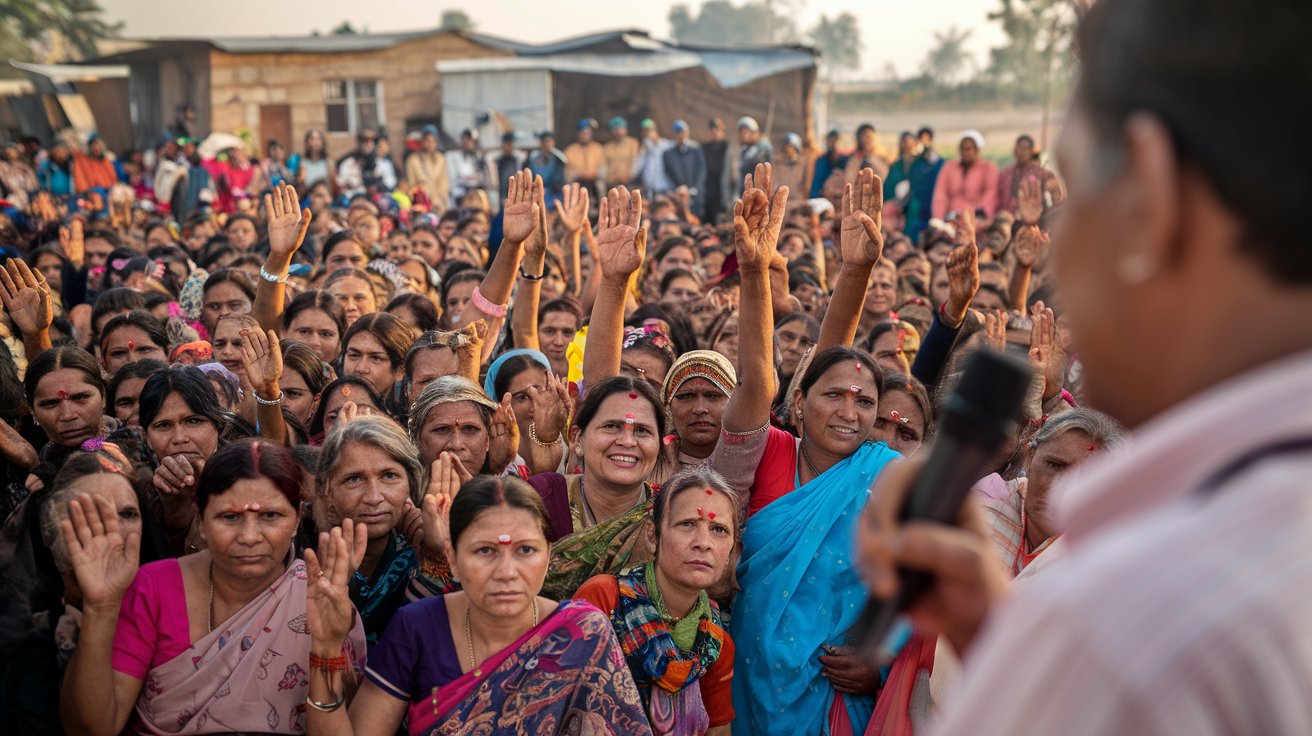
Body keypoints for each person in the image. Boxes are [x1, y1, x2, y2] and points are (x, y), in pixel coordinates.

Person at [858, 1, 1312, 734]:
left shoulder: (1122, 625)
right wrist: (988, 630)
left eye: (1073, 191)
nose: (1059, 253)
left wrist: (1053, 651)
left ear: (1150, 194)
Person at [59, 439, 368, 735]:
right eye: (229, 517)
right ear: (201, 521)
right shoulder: (153, 587)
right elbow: (92, 729)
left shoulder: (320, 597)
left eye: (270, 516)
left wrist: (326, 648)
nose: (249, 536)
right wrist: (100, 606)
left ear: (298, 519)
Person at [303, 474, 651, 735]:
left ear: (548, 558)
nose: (506, 572)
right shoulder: (416, 627)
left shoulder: (584, 633)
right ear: (452, 558)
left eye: (526, 551)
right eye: (485, 551)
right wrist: (326, 645)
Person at [574, 468, 738, 734]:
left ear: (732, 550)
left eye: (718, 529)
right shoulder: (603, 600)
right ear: (652, 535)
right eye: (687, 524)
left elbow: (718, 731)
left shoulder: (715, 643)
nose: (703, 543)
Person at [316, 415, 440, 643]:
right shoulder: (303, 556)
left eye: (389, 476)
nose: (374, 497)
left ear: (410, 486)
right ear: (327, 491)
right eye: (354, 479)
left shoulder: (418, 558)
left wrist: (433, 554)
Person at [978, 408, 1126, 578]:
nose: (1062, 490)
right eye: (1055, 465)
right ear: (1029, 456)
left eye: (1087, 478)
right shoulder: (986, 501)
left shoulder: (1100, 555)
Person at [931, 130, 999, 219]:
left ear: (977, 150)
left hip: (978, 217)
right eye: (962, 149)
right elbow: (940, 195)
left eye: (969, 149)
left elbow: (991, 194)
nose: (965, 153)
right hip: (951, 217)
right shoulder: (949, 167)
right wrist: (938, 218)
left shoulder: (988, 168)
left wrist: (982, 213)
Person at [995, 133, 1064, 217]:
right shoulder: (1006, 173)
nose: (1021, 152)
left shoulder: (1043, 173)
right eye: (1019, 148)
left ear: (1032, 151)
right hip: (1010, 220)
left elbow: (1058, 199)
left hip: (1039, 218)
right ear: (1014, 150)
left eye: (1025, 149)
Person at [662, 120, 707, 213]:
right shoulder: (668, 154)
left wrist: (695, 188)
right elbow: (668, 173)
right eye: (678, 132)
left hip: (695, 194)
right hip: (678, 195)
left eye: (683, 131)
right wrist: (677, 189)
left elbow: (701, 170)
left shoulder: (695, 150)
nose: (681, 135)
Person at [405, 125, 450, 214]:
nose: (430, 144)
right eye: (427, 141)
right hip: (420, 203)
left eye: (433, 141)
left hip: (438, 202)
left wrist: (439, 198)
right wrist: (422, 197)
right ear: (422, 141)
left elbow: (444, 181)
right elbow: (411, 182)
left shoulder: (440, 159)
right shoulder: (413, 159)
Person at [564, 118, 603, 198]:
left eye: (588, 133)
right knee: (569, 186)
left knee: (601, 186)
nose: (585, 135)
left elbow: (603, 167)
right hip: (578, 181)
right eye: (583, 133)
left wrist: (594, 174)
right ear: (578, 134)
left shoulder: (598, 148)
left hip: (594, 181)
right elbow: (567, 171)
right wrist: (579, 174)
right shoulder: (570, 150)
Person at [527, 131, 567, 206]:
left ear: (553, 143)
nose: (546, 144)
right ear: (541, 143)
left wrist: (548, 189)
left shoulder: (558, 159)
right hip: (536, 193)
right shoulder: (533, 158)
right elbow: (530, 177)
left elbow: (559, 179)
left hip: (553, 194)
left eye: (549, 141)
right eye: (544, 141)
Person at [735, 117, 772, 196]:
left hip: (759, 194)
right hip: (745, 194)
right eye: (740, 133)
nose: (742, 135)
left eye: (745, 132)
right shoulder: (744, 150)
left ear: (754, 133)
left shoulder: (764, 148)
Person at [634, 118, 672, 196]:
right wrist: (642, 153)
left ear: (655, 130)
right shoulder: (645, 147)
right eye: (645, 131)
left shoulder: (667, 145)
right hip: (650, 189)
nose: (647, 133)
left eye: (649, 130)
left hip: (665, 187)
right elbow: (636, 170)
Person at [602, 117, 639, 190]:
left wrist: (628, 177)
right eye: (615, 129)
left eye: (620, 128)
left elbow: (636, 163)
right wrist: (611, 179)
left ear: (625, 129)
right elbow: (603, 167)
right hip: (612, 184)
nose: (618, 131)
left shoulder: (633, 143)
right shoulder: (607, 147)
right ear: (611, 131)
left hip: (630, 183)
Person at [810, 127, 849, 199]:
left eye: (835, 142)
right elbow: (816, 185)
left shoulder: (848, 161)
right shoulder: (822, 161)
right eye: (830, 142)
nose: (833, 145)